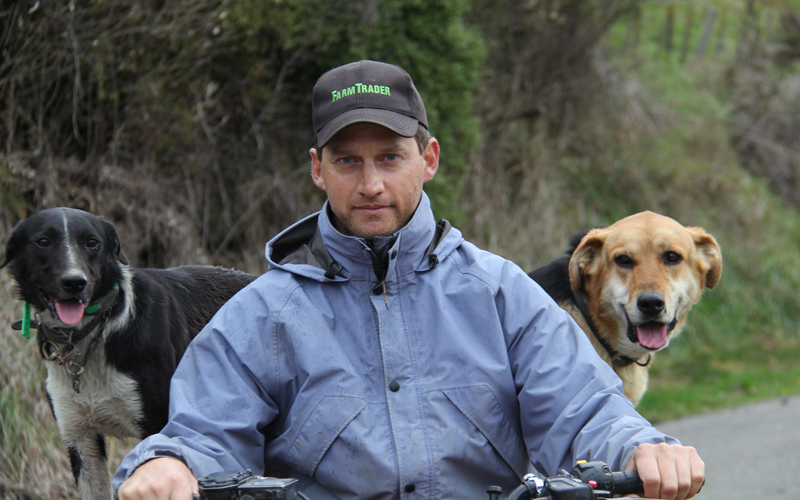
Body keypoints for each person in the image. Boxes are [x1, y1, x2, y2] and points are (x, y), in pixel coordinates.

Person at [115, 60, 704, 500]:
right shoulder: (263, 314)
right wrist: (169, 464)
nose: (370, 184)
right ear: (318, 169)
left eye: (390, 157)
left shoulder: (501, 294)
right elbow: (202, 430)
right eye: (348, 161)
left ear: (429, 159)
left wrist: (640, 447)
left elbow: (584, 408)